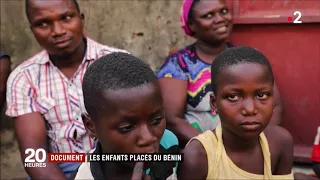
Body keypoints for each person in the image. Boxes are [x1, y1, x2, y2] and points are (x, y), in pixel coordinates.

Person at [5, 0, 127, 179]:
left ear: (81, 19)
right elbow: (34, 156)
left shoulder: (119, 63)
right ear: (32, 29)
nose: (58, 31)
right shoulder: (23, 78)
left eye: (66, 18)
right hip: (59, 168)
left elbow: (139, 135)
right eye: (43, 24)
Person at [156, 0, 283, 146]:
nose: (220, 19)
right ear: (191, 24)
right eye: (208, 15)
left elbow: (275, 106)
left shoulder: (249, 58)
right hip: (202, 150)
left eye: (223, 12)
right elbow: (172, 119)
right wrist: (215, 148)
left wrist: (260, 144)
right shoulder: (179, 64)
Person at [177, 46, 293, 180]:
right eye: (233, 97)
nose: (250, 109)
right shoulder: (198, 156)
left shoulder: (280, 142)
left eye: (261, 95)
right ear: (214, 104)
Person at [69, 52, 179, 180]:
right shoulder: (83, 177)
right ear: (91, 126)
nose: (148, 138)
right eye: (127, 128)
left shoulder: (168, 144)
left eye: (156, 121)